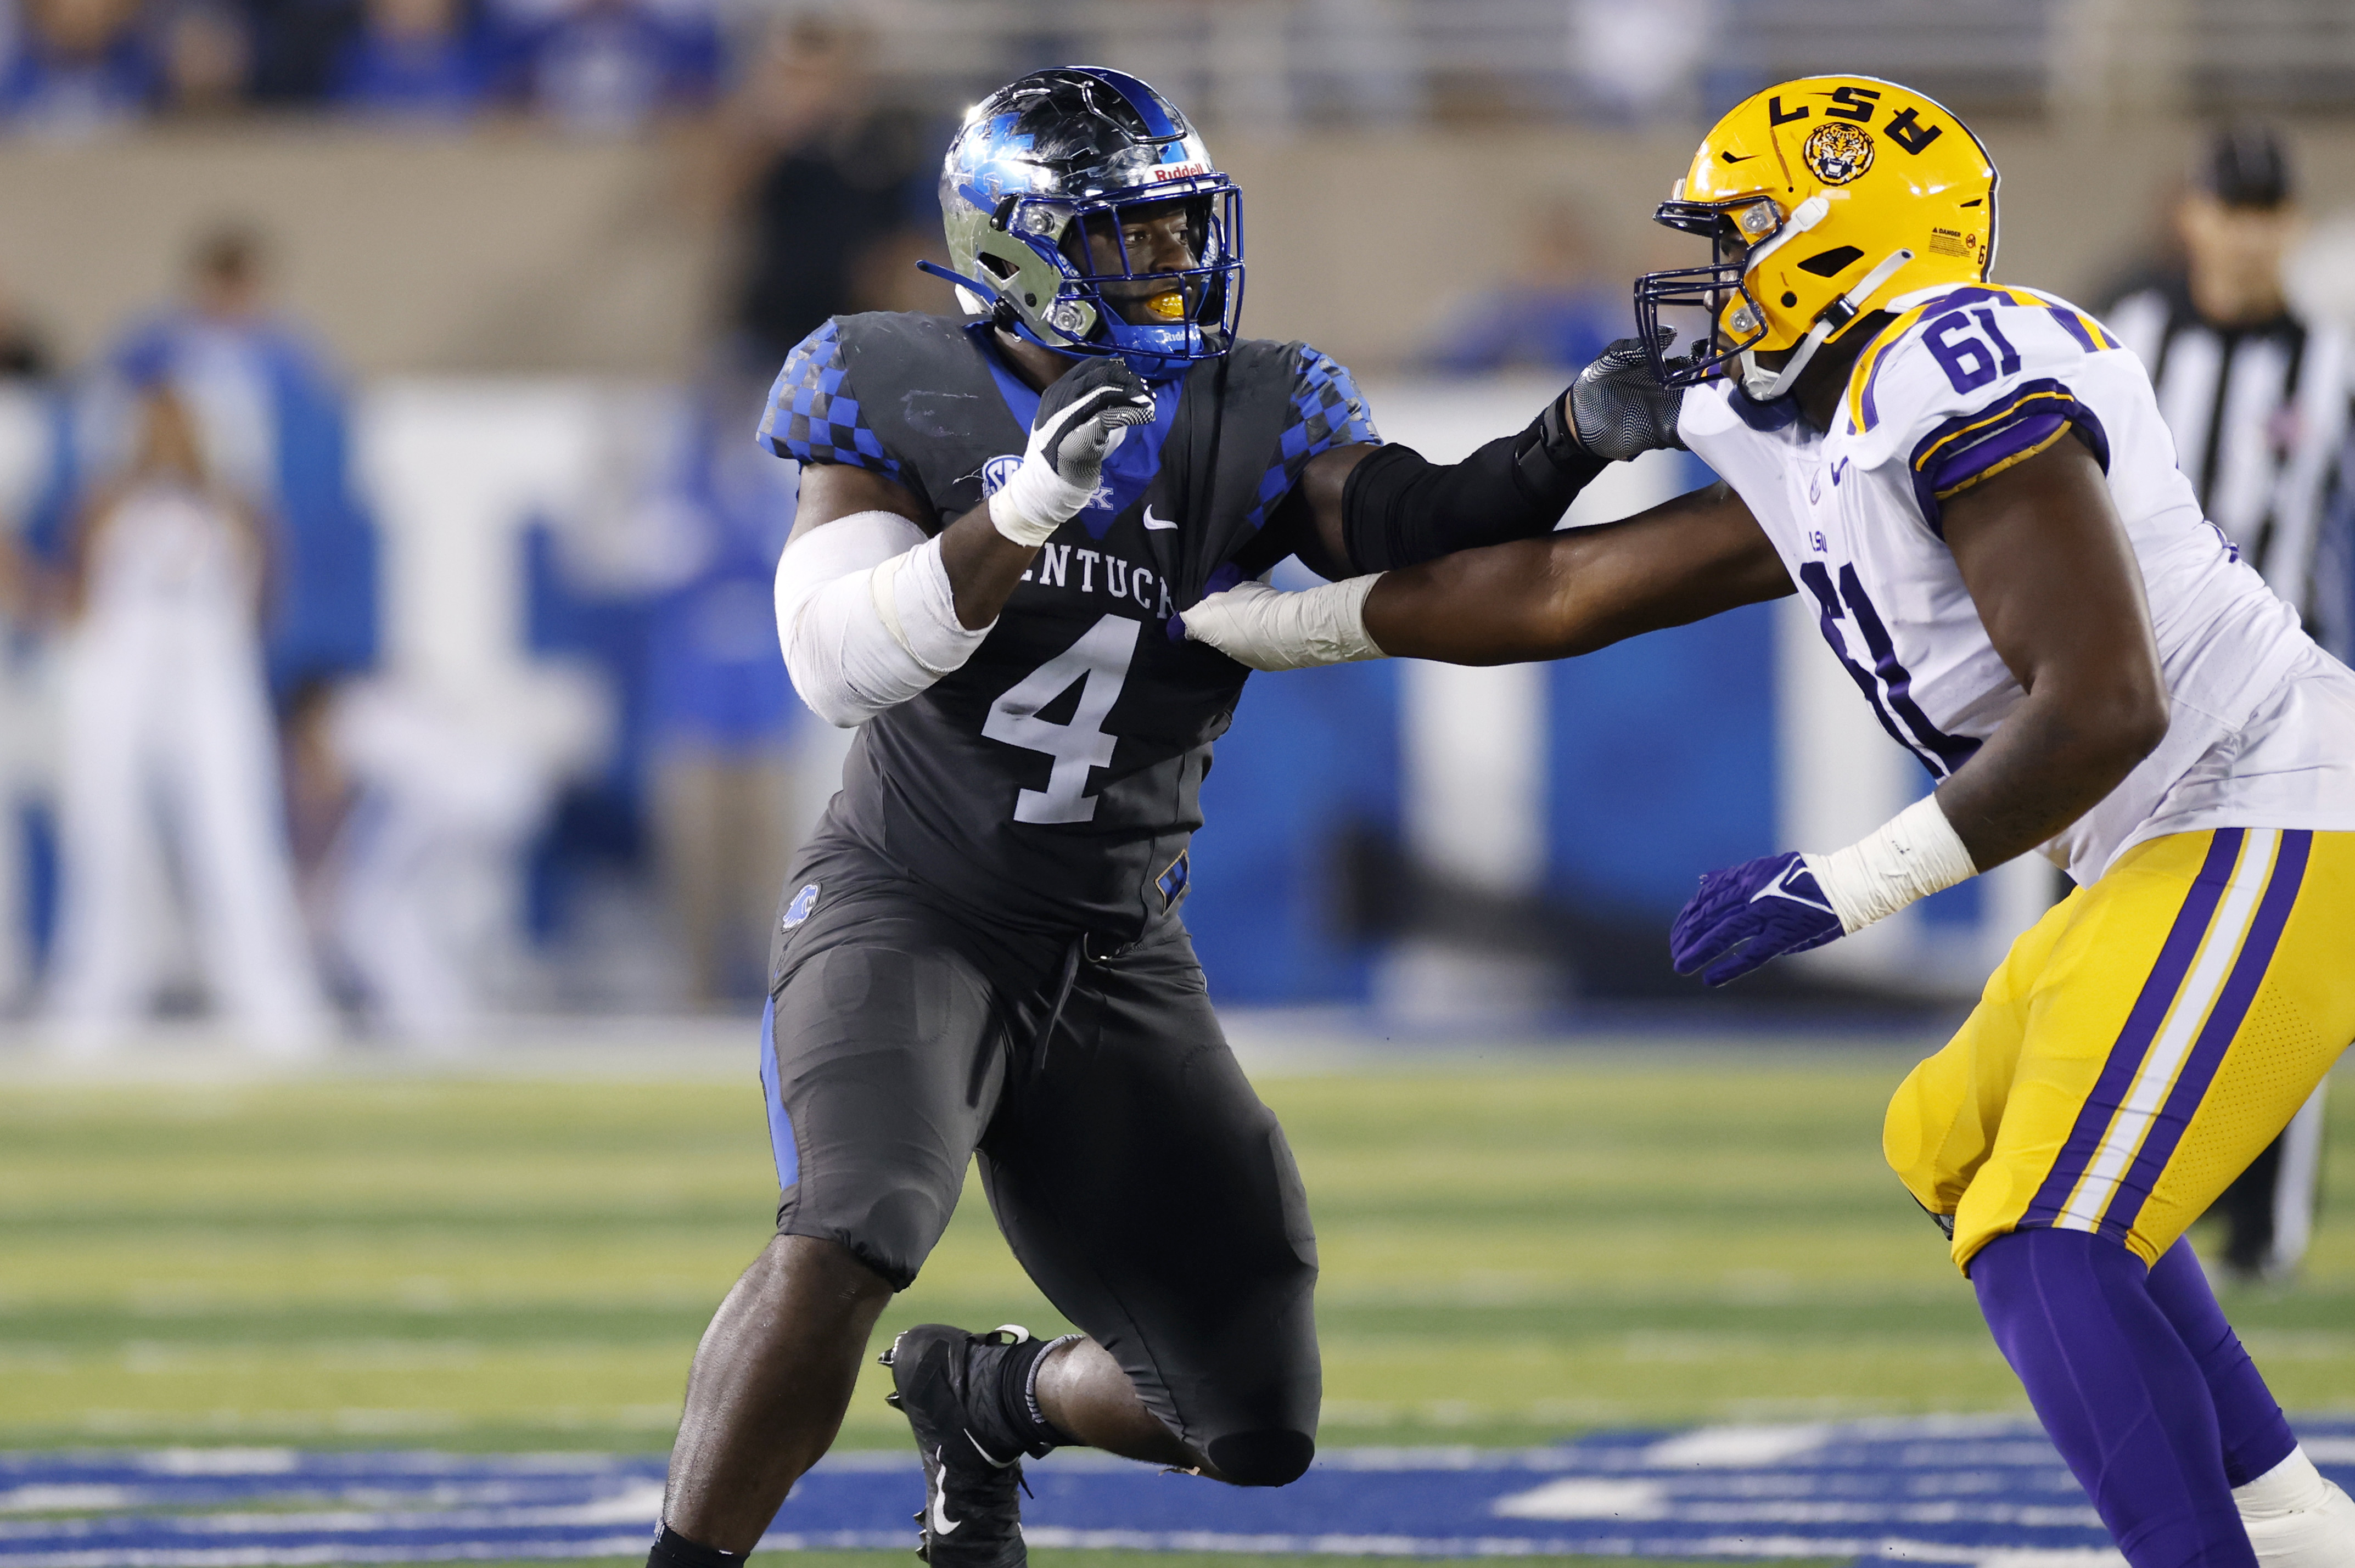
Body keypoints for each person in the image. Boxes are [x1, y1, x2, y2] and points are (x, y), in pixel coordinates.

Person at [1184, 74, 2355, 1568]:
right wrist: (1273, 630)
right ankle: (2289, 1527)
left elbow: (2103, 704)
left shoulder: (1951, 371)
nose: (1713, 277)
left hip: (2270, 803)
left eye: (1740, 237)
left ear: (1838, 238)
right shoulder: (1818, 422)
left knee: (2055, 1231)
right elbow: (1563, 589)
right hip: (2168, 832)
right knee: (1953, 1136)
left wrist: (1853, 883)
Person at [648, 65, 1645, 1568]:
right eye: (1130, 236)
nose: (1175, 263)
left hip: (1115, 946)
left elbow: (1409, 522)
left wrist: (1569, 436)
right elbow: (835, 656)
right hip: (914, 901)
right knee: (854, 1225)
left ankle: (985, 1397)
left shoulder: (1258, 403)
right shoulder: (889, 380)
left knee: (1247, 1413)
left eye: (1183, 230)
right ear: (1014, 249)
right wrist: (1023, 510)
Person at [2105, 123, 2350, 1286]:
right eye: (2230, 208)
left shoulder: (2335, 364)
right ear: (2192, 214)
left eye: (2268, 211)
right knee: (2118, 952)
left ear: (2288, 223)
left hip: (2283, 705)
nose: (2248, 232)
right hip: (2131, 698)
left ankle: (2265, 1233)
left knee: (2282, 963)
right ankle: (2124, 1202)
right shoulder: (2127, 346)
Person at [44, 383, 330, 1055]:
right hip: (124, 669)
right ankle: (94, 997)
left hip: (207, 671)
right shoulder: (107, 503)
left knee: (235, 832)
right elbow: (81, 596)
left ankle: (272, 1003)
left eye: (179, 426)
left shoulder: (234, 505)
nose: (167, 439)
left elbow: (265, 594)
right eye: (155, 427)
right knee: (104, 830)